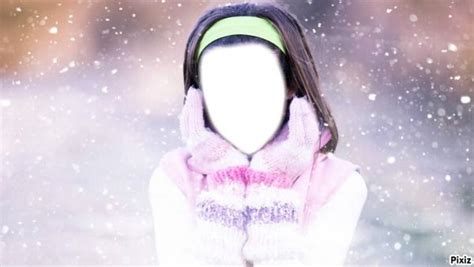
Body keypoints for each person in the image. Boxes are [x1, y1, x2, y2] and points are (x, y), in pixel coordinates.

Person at [149, 2, 368, 267]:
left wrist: (271, 193)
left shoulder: (340, 184)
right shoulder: (172, 179)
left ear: (291, 85)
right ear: (200, 94)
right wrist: (225, 189)